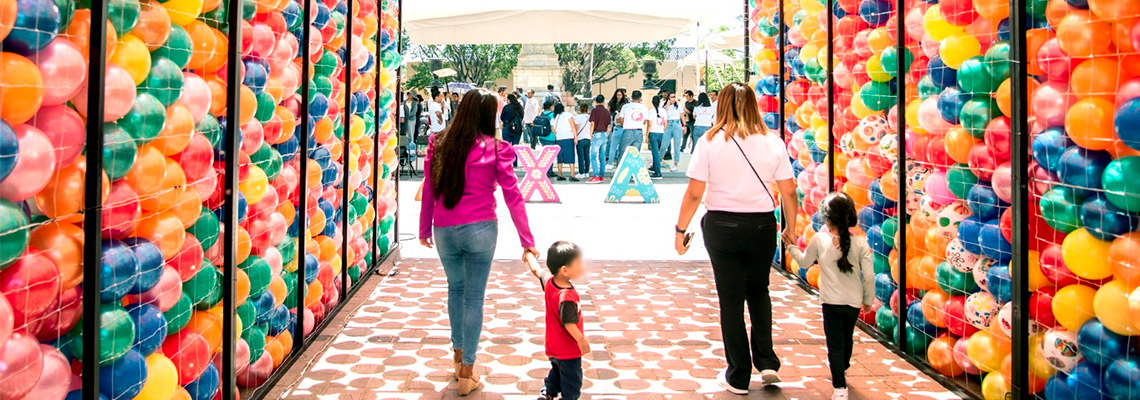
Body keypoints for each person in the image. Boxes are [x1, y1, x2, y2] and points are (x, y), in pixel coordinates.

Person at [673, 82, 799, 395]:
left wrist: (680, 230)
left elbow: (694, 193)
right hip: (762, 227)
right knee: (759, 292)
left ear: (722, 105)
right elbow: (789, 190)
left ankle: (739, 374)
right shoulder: (772, 142)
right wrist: (791, 227)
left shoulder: (710, 140)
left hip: (722, 225)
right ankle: (767, 361)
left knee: (730, 299)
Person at [420, 89, 539, 396]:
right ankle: (467, 371)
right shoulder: (496, 148)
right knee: (473, 298)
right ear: (489, 116)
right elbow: (513, 196)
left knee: (455, 290)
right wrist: (527, 241)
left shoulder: (439, 142)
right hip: (481, 230)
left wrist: (424, 229)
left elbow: (429, 188)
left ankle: (458, 355)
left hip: (444, 229)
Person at [788, 192, 874, 400]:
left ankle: (839, 387)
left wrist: (790, 247)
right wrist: (868, 300)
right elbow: (869, 276)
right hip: (853, 302)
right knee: (846, 339)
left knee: (834, 343)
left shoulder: (819, 239)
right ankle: (842, 368)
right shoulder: (861, 242)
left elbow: (804, 262)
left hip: (830, 302)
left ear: (826, 218)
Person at [525, 242, 589, 400]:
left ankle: (548, 392)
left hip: (553, 347)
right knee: (572, 384)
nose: (582, 266)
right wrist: (581, 339)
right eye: (578, 263)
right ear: (565, 270)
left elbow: (536, 270)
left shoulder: (549, 283)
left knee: (557, 372)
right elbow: (569, 323)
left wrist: (528, 255)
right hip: (569, 350)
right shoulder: (566, 296)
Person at [616, 90, 650, 160]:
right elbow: (644, 122)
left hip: (627, 130)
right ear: (640, 98)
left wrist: (625, 124)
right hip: (639, 131)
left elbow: (621, 120)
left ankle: (621, 169)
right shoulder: (644, 108)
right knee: (635, 154)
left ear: (631, 97)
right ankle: (633, 170)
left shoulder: (625, 106)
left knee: (622, 152)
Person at [551, 103, 579, 181]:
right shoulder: (568, 115)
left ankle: (560, 174)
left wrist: (558, 133)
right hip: (568, 138)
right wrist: (575, 137)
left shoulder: (555, 117)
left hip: (559, 139)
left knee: (560, 157)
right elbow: (573, 126)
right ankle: (572, 175)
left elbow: (553, 129)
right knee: (570, 156)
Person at [586, 95, 610, 184]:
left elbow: (592, 123)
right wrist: (606, 134)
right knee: (602, 156)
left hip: (597, 134)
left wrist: (590, 134)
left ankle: (595, 175)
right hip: (604, 134)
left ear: (596, 101)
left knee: (593, 156)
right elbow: (608, 125)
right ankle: (601, 175)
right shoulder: (607, 112)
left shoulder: (594, 111)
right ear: (603, 101)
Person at [661, 92, 686, 171]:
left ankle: (675, 163)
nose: (673, 98)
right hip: (668, 124)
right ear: (668, 98)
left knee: (676, 145)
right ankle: (660, 160)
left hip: (676, 124)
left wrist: (684, 125)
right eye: (671, 97)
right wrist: (667, 106)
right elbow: (663, 114)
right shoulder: (665, 106)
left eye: (674, 97)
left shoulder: (678, 105)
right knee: (664, 145)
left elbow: (682, 115)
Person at [606, 89, 629, 168]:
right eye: (617, 95)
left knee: (620, 146)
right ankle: (610, 161)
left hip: (622, 126)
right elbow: (608, 112)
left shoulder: (625, 104)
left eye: (620, 95)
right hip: (614, 124)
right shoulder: (612, 103)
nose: (619, 96)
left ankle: (615, 162)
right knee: (612, 144)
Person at [646, 95, 667, 179]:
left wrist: (647, 135)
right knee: (657, 151)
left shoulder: (651, 111)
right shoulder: (663, 111)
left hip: (653, 132)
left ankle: (658, 173)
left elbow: (649, 124)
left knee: (655, 153)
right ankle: (654, 166)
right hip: (661, 132)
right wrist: (662, 129)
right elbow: (666, 123)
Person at [572, 103, 593, 180]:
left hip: (580, 138)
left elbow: (576, 127)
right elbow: (592, 127)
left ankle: (581, 172)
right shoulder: (590, 117)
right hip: (588, 138)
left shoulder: (578, 117)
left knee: (581, 156)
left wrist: (575, 136)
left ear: (580, 109)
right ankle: (587, 172)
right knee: (587, 156)